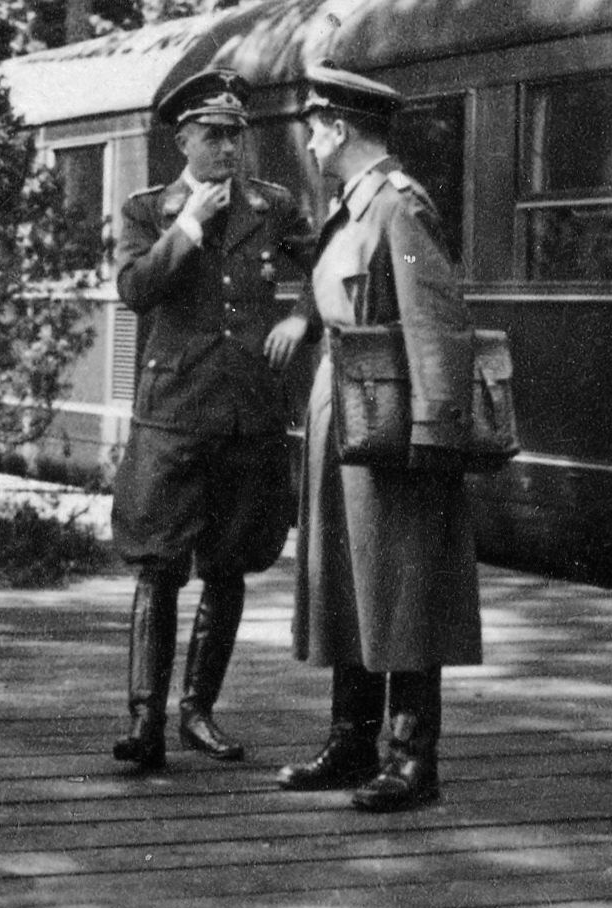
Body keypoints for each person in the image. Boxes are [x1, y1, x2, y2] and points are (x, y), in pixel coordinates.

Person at [280, 63, 482, 812]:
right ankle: (350, 740)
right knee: (348, 577)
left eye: (312, 125)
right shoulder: (354, 206)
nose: (306, 138)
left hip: (391, 419)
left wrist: (435, 430)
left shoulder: (398, 207)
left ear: (337, 129)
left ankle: (409, 756)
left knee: (401, 582)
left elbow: (436, 324)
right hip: (348, 408)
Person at [109, 66, 317, 770]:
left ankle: (198, 712)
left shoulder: (273, 204)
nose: (229, 149)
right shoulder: (148, 210)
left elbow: (333, 263)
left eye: (237, 135)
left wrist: (302, 316)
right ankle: (145, 722)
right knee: (158, 567)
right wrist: (190, 226)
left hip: (247, 411)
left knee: (227, 565)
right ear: (184, 140)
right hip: (174, 414)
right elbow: (137, 288)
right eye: (214, 136)